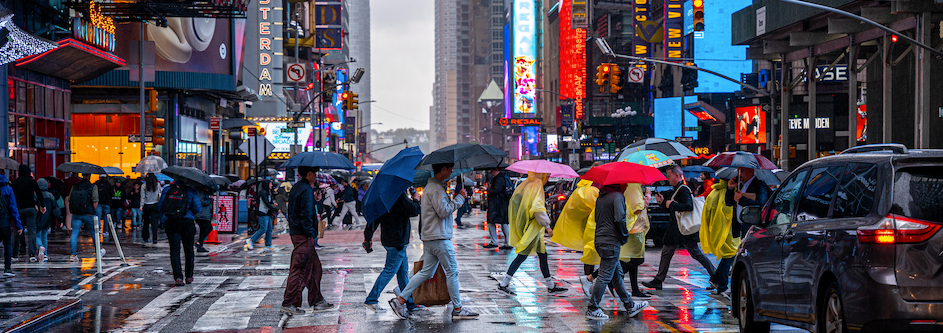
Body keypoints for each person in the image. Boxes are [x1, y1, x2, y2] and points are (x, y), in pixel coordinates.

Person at [388, 163, 479, 320]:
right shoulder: (436, 189)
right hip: (439, 238)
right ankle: (457, 309)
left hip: (432, 237)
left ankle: (400, 300)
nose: (451, 172)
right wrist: (459, 198)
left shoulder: (433, 188)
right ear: (443, 169)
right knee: (452, 271)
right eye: (450, 169)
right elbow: (444, 211)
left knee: (426, 272)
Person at [643, 165, 716, 290]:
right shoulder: (676, 189)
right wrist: (663, 203)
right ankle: (658, 280)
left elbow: (688, 206)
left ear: (677, 175)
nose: (668, 178)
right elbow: (671, 207)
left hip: (683, 229)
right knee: (667, 253)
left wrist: (672, 204)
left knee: (695, 253)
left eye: (669, 176)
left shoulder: (683, 189)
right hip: (676, 229)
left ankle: (716, 275)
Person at [496, 172, 567, 296]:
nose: (548, 179)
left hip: (533, 228)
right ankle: (503, 284)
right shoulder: (537, 186)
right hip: (533, 229)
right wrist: (548, 226)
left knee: (543, 256)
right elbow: (537, 209)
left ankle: (550, 285)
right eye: (547, 176)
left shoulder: (528, 185)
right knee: (522, 256)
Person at [585, 183, 648, 321]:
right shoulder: (617, 196)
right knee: (605, 276)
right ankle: (593, 308)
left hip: (601, 239)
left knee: (617, 276)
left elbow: (597, 218)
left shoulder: (601, 198)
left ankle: (630, 305)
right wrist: (624, 234)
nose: (627, 186)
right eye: (625, 183)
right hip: (611, 241)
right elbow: (619, 218)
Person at [281, 166, 333, 316]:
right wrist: (311, 233)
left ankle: (317, 300)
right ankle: (289, 302)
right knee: (299, 269)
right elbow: (305, 214)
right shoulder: (305, 189)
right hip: (303, 235)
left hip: (299, 233)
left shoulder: (299, 188)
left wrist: (316, 201)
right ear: (309, 173)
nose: (315, 176)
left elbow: (304, 210)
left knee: (315, 268)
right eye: (314, 173)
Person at [362, 189, 421, 312]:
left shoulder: (384, 195)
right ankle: (372, 299)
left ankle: (410, 301)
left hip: (391, 239)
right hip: (397, 240)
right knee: (389, 270)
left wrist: (368, 237)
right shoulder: (398, 194)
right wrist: (416, 199)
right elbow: (414, 210)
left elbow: (375, 217)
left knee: (403, 273)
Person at [158, 180, 202, 286]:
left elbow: (160, 206)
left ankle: (178, 277)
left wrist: (164, 220)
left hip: (171, 222)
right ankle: (189, 276)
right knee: (189, 250)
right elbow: (197, 208)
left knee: (174, 250)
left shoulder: (167, 190)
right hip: (187, 222)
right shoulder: (191, 191)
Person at [702, 177, 739, 296]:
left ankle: (715, 279)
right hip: (726, 230)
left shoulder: (713, 192)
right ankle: (722, 285)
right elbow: (728, 212)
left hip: (715, 228)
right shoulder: (726, 193)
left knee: (727, 256)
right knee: (730, 256)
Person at [11, 165, 45, 262]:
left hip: (18, 209)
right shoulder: (32, 182)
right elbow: (39, 193)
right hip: (30, 208)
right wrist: (42, 205)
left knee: (17, 231)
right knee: (32, 231)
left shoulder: (15, 182)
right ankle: (32, 254)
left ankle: (14, 254)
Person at [725, 167, 771, 238]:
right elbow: (729, 202)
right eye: (738, 172)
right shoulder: (741, 185)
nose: (739, 174)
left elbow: (762, 204)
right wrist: (730, 188)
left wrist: (741, 200)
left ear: (750, 171)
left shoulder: (759, 185)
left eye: (741, 171)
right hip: (741, 227)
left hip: (753, 227)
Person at [67, 174, 99, 262]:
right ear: (89, 176)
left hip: (76, 213)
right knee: (94, 233)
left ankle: (73, 255)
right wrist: (94, 210)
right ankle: (98, 252)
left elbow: (69, 199)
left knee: (74, 233)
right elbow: (95, 200)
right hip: (89, 214)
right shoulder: (93, 186)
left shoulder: (75, 186)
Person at [0, 174, 22, 277]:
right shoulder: (8, 189)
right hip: (5, 222)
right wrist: (18, 225)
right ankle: (7, 269)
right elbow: (13, 208)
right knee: (7, 244)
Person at [485, 167, 512, 248]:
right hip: (500, 204)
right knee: (503, 223)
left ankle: (500, 242)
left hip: (498, 204)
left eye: (492, 170)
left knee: (496, 222)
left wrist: (487, 189)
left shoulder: (499, 179)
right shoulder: (500, 178)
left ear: (496, 170)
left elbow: (496, 190)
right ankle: (506, 242)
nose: (491, 172)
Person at [247, 180, 276, 250]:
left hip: (267, 213)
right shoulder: (263, 193)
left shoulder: (268, 192)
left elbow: (269, 202)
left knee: (269, 229)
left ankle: (268, 244)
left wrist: (273, 205)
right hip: (262, 213)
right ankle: (251, 240)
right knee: (263, 229)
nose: (271, 185)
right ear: (267, 184)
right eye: (270, 184)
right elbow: (266, 203)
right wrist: (275, 208)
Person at [36, 179, 60, 263]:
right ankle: (45, 254)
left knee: (37, 235)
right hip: (47, 218)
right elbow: (56, 208)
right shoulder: (50, 195)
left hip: (38, 218)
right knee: (44, 236)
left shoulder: (36, 195)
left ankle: (40, 246)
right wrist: (59, 219)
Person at [142, 173, 162, 244]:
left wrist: (141, 206)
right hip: (155, 204)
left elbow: (143, 197)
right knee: (154, 223)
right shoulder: (158, 185)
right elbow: (160, 194)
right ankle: (155, 238)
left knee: (146, 222)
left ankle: (145, 237)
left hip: (146, 205)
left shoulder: (144, 186)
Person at [194, 187, 214, 253]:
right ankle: (198, 242)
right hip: (201, 214)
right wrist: (210, 200)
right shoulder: (200, 192)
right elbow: (202, 202)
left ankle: (200, 246)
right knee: (208, 228)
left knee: (202, 230)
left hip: (204, 214)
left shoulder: (204, 192)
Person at [94, 176, 114, 241]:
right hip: (107, 202)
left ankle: (98, 229)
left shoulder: (96, 184)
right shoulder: (108, 184)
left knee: (98, 217)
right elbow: (112, 193)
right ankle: (105, 230)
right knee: (106, 217)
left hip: (99, 202)